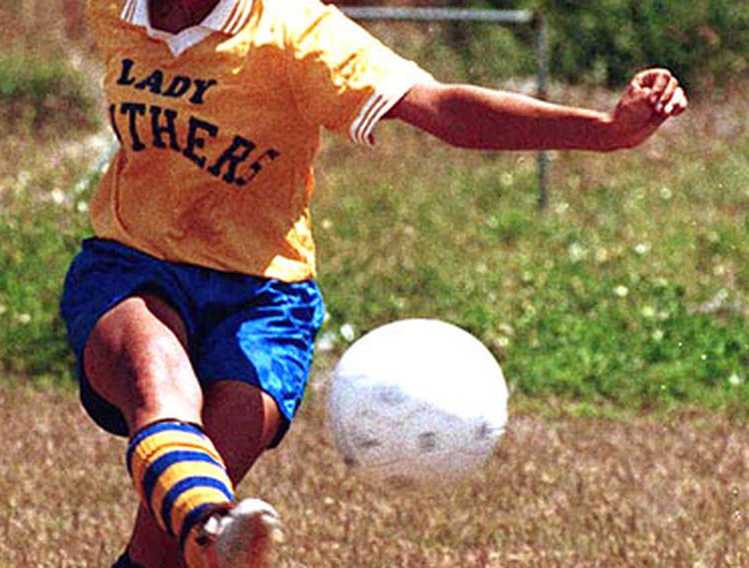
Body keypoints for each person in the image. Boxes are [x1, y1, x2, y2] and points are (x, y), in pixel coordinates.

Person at [61, 0, 688, 566]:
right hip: (132, 266)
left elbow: (442, 108)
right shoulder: (115, 9)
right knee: (157, 381)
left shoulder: (297, 33)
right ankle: (213, 526)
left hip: (262, 302)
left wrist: (605, 132)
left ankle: (201, 536)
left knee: (158, 549)